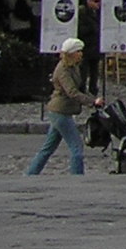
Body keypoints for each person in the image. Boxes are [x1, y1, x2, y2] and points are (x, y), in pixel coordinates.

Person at [25, 36, 97, 178]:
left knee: (48, 147)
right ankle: (77, 177)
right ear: (71, 53)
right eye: (78, 51)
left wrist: (94, 99)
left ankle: (30, 174)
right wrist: (91, 102)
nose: (81, 54)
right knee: (76, 146)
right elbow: (72, 92)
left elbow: (81, 88)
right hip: (60, 111)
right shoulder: (62, 70)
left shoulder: (74, 67)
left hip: (63, 111)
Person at [79, 0, 104, 93]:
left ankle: (93, 88)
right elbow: (80, 30)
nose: (98, 3)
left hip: (95, 46)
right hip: (86, 46)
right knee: (83, 70)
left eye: (99, 1)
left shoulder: (99, 14)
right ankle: (82, 88)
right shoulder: (83, 13)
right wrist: (93, 28)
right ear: (89, 1)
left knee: (94, 71)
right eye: (96, 1)